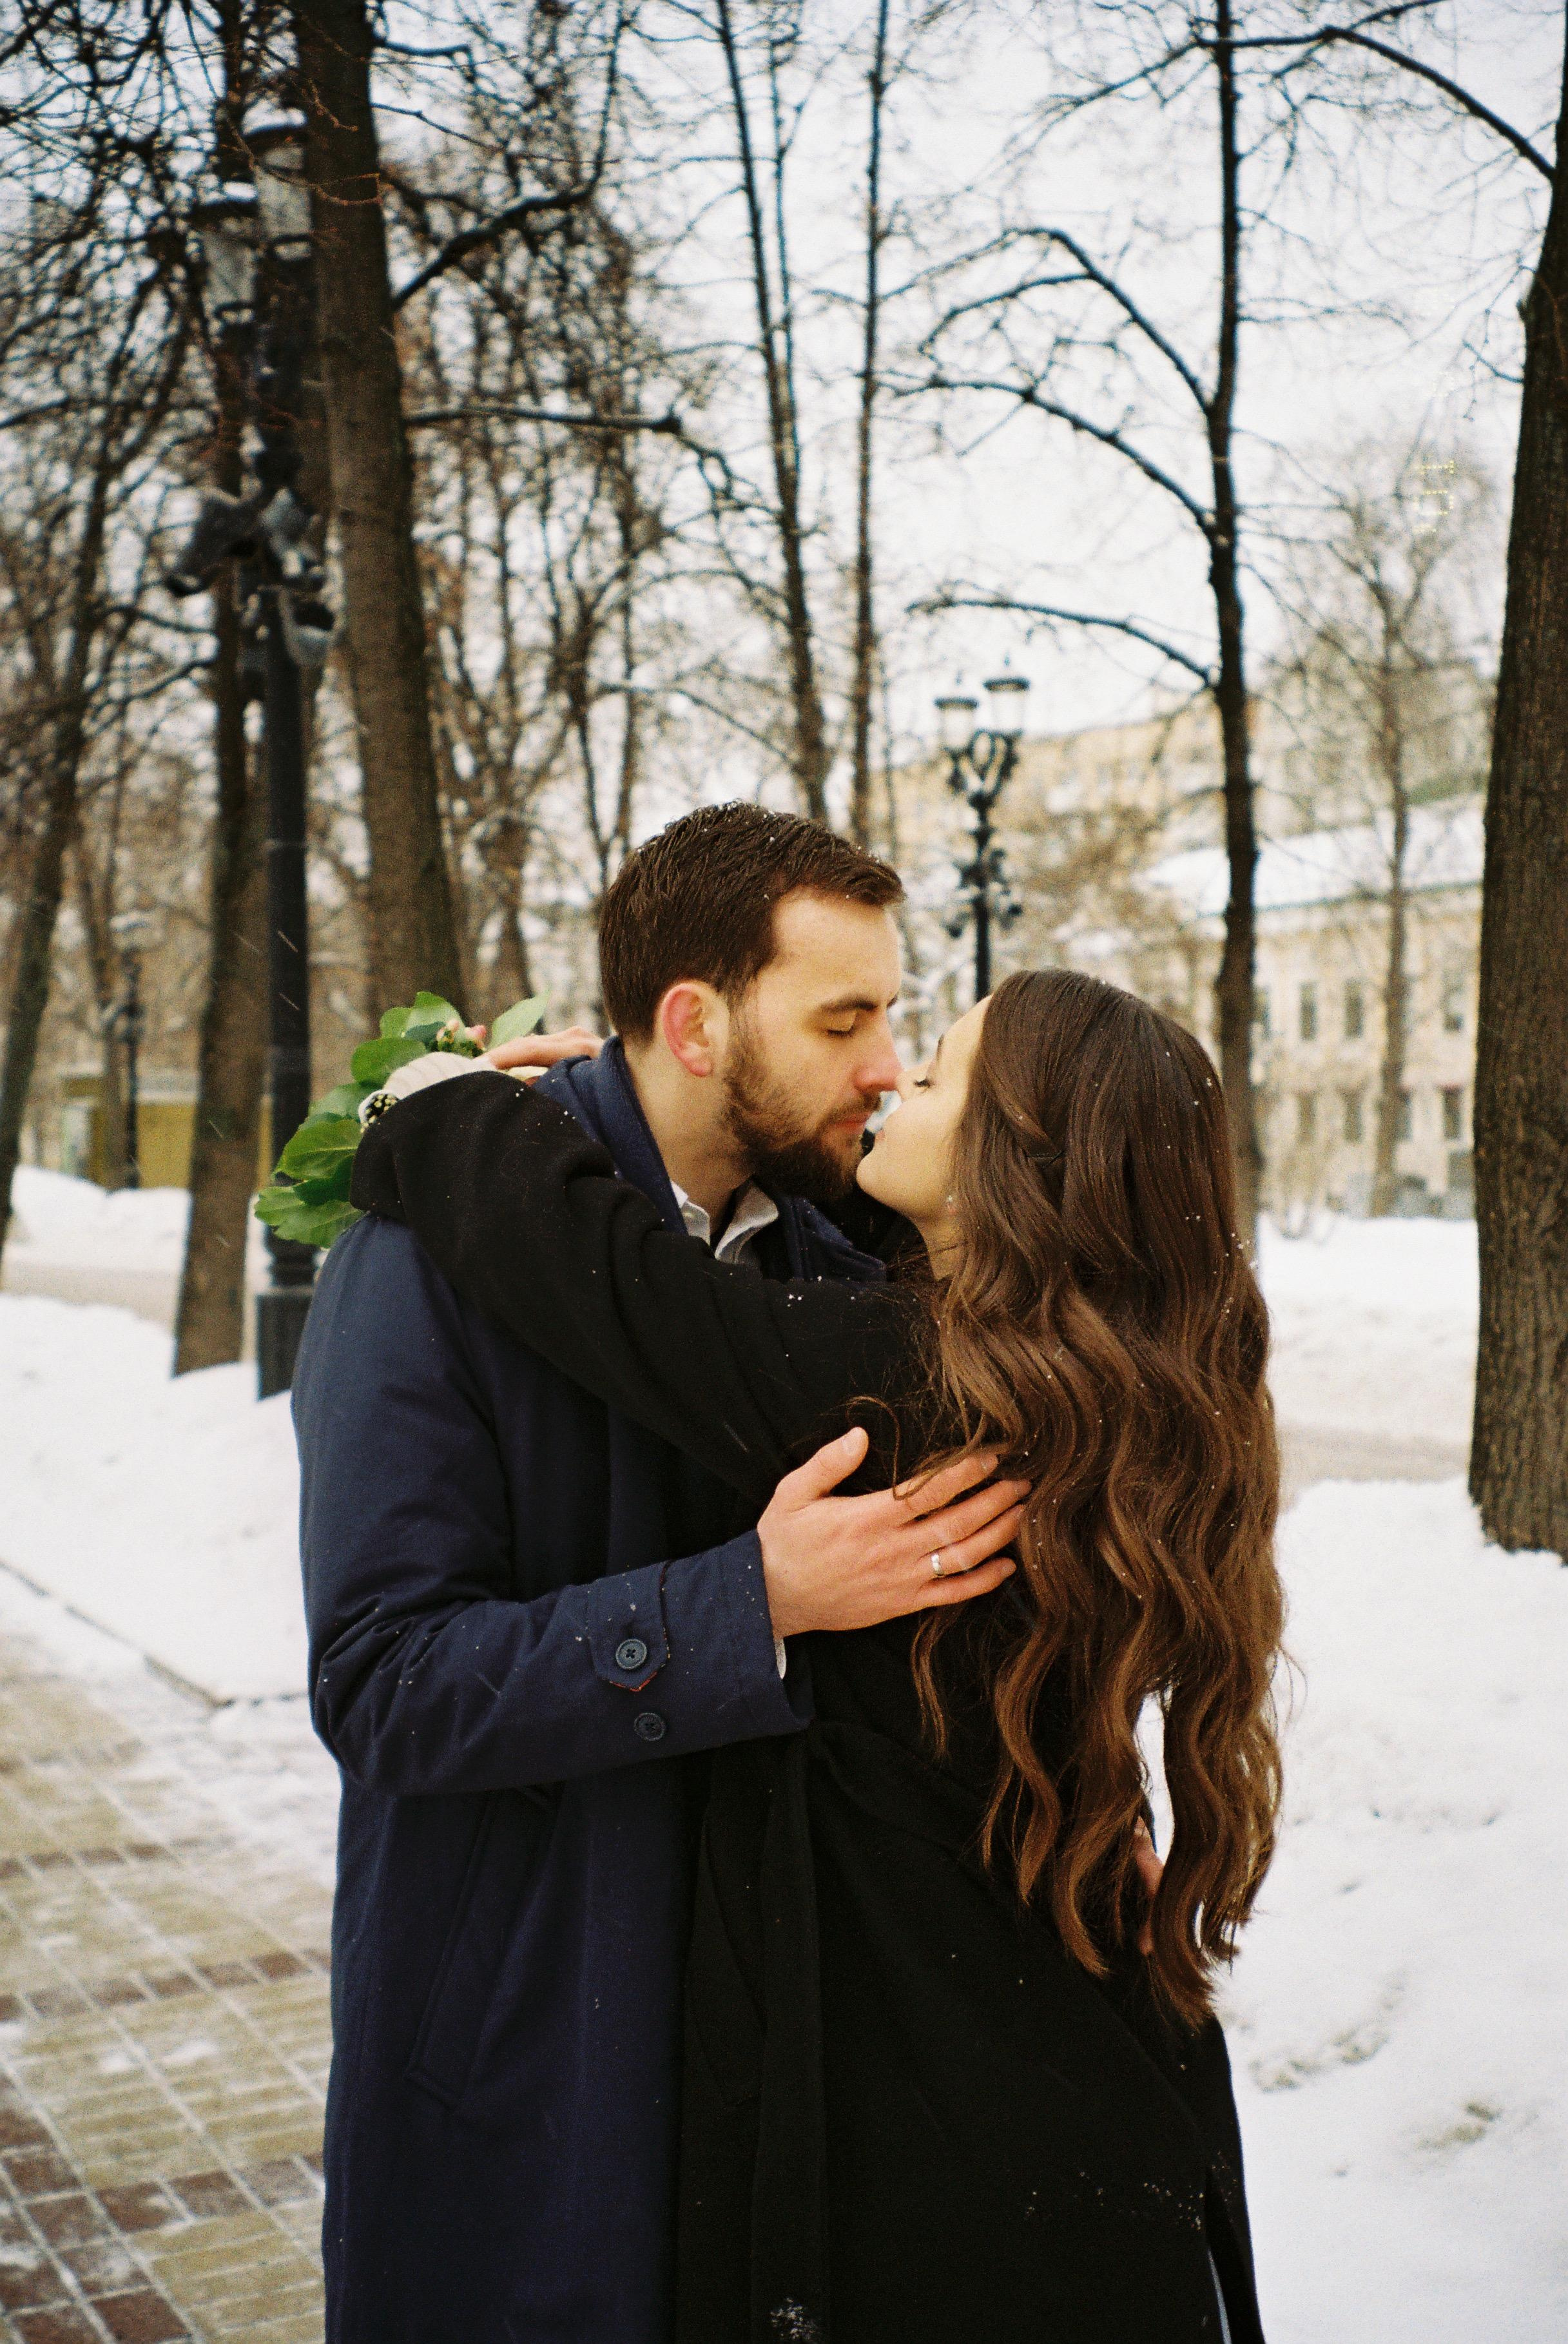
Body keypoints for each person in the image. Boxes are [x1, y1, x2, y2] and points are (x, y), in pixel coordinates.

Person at [354, 964, 1286, 2344]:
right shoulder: (1095, 1376)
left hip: (961, 2133)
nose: (890, 1077)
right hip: (1084, 2076)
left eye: (939, 1073)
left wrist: (431, 1104)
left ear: (1012, 1168)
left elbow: (622, 1288)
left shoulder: (902, 1389)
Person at [291, 804, 1028, 2344]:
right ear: (693, 1024)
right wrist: (742, 1607)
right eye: (841, 1018)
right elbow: (384, 1682)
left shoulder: (831, 1261)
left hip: (775, 2072)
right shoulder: (427, 1253)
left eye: (890, 1016)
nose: (882, 1062)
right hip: (534, 2062)